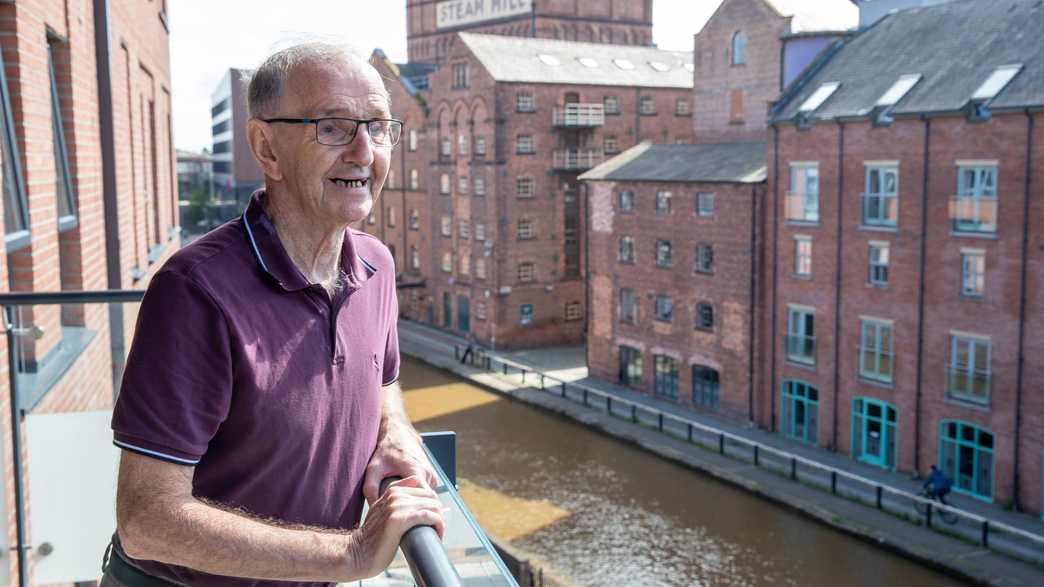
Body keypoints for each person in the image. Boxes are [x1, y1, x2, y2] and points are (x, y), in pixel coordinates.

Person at [102, 42, 443, 586]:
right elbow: (146, 520)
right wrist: (352, 555)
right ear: (267, 148)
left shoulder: (377, 264)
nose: (364, 151)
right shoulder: (195, 292)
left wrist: (397, 429)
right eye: (332, 127)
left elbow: (381, 379)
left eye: (378, 128)